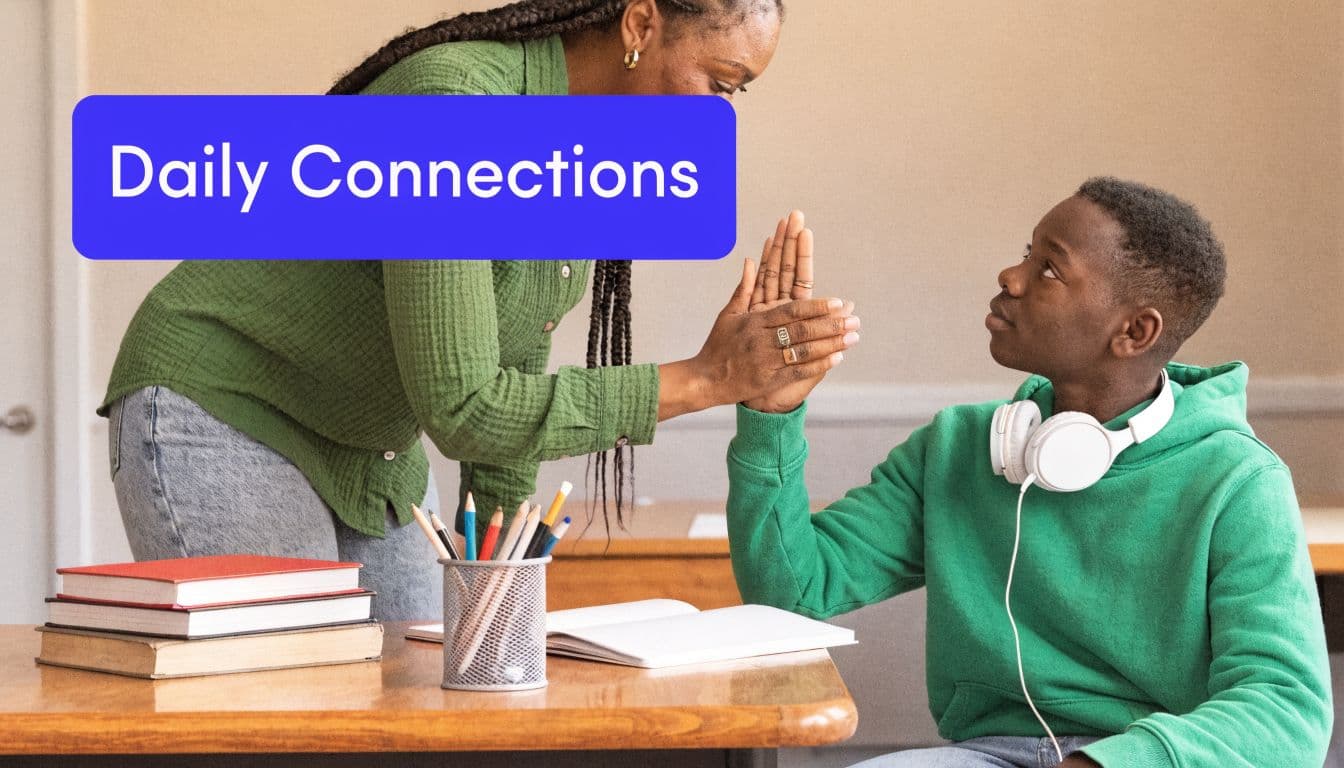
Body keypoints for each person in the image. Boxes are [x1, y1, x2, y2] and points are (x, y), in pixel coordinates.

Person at [100, 0, 859, 621]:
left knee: (426, 696)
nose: (718, 119)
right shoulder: (454, 106)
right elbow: (466, 407)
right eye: (720, 83)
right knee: (286, 709)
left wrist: (500, 582)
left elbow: (511, 365)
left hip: (369, 447)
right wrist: (708, 378)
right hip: (230, 403)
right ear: (639, 24)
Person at [725, 177, 1332, 767]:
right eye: (1026, 254)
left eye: (1049, 268)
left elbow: (1285, 711)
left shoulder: (1238, 480)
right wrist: (769, 415)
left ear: (1134, 331)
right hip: (989, 754)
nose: (1010, 278)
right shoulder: (960, 447)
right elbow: (792, 591)